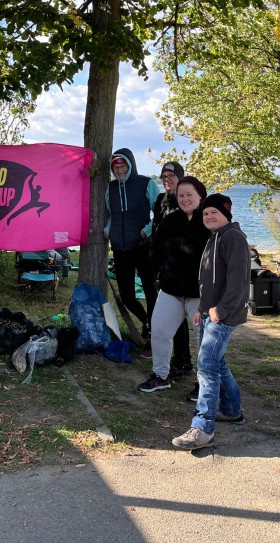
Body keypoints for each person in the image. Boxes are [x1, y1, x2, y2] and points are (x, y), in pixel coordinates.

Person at [172, 194, 249, 451]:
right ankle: (231, 410)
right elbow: (209, 279)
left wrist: (221, 310)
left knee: (206, 367)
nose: (209, 217)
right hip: (210, 312)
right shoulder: (214, 237)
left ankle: (202, 428)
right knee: (217, 362)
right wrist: (203, 309)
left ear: (226, 213)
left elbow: (238, 281)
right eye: (205, 214)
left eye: (214, 212)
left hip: (224, 315)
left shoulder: (233, 238)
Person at [140, 177, 209, 393]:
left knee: (205, 341)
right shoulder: (171, 221)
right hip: (170, 291)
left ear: (200, 196)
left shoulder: (209, 220)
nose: (185, 199)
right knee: (159, 332)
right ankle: (161, 375)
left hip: (200, 294)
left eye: (190, 195)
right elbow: (155, 250)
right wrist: (159, 273)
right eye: (181, 195)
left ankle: (204, 384)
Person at [104, 148, 159, 348]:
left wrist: (147, 230)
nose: (119, 171)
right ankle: (145, 321)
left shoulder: (146, 183)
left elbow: (160, 213)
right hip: (120, 248)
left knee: (150, 290)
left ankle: (153, 330)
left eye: (123, 166)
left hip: (143, 246)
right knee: (126, 295)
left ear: (131, 165)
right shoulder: (110, 188)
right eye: (116, 167)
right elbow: (112, 214)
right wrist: (108, 229)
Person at [151, 161, 193, 378]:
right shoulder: (161, 199)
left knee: (180, 320)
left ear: (180, 177)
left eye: (171, 176)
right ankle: (176, 361)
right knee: (168, 321)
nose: (167, 180)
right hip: (165, 265)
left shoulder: (186, 201)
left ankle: (183, 360)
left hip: (183, 268)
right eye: (164, 177)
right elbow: (157, 227)